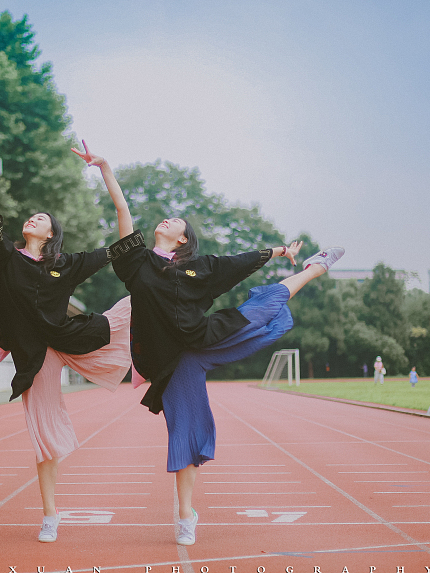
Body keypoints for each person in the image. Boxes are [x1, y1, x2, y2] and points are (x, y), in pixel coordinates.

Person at [74, 141, 344, 546]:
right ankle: (187, 515)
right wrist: (105, 168)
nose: (165, 221)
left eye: (174, 221)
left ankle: (315, 268)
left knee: (264, 303)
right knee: (184, 430)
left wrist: (280, 251)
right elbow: (122, 212)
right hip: (172, 359)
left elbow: (237, 262)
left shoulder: (200, 269)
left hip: (205, 338)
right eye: (165, 219)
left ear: (183, 240)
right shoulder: (137, 263)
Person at [0, 138, 132, 543]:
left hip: (71, 337)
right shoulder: (5, 259)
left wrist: (106, 170)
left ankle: (158, 358)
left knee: (140, 301)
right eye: (31, 216)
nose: (32, 218)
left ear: (51, 233)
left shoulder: (65, 265)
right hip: (36, 354)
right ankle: (50, 515)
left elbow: (123, 244)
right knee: (44, 439)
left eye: (41, 218)